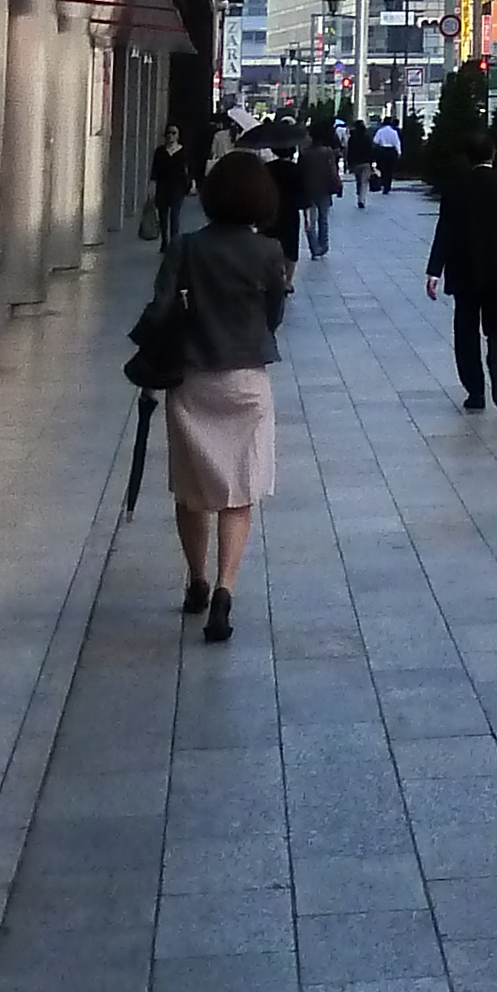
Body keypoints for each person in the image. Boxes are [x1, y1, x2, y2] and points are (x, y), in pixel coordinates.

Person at [159, 154, 292, 639]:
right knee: (240, 489)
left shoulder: (186, 247)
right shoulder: (269, 252)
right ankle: (223, 590)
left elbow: (159, 309)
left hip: (192, 378)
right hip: (246, 381)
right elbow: (273, 315)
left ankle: (194, 581)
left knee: (191, 489)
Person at [427, 119, 497, 412]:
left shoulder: (455, 188)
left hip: (465, 273)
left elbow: (444, 231)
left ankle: (475, 391)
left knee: (466, 332)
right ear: (493, 154)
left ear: (467, 157)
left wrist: (434, 271)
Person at [297, 115, 342, 259]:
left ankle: (314, 248)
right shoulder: (327, 152)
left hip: (307, 190)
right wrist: (337, 185)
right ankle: (323, 245)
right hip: (324, 189)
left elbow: (299, 171)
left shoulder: (305, 154)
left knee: (310, 221)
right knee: (323, 219)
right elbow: (332, 171)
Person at [148, 119, 196, 250]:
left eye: (173, 133)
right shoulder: (160, 151)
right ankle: (164, 241)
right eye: (168, 133)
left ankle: (174, 243)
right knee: (163, 216)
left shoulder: (183, 151)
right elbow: (155, 170)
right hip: (162, 187)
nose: (170, 136)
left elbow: (188, 168)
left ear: (178, 135)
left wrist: (191, 182)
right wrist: (151, 187)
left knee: (175, 215)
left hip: (177, 187)